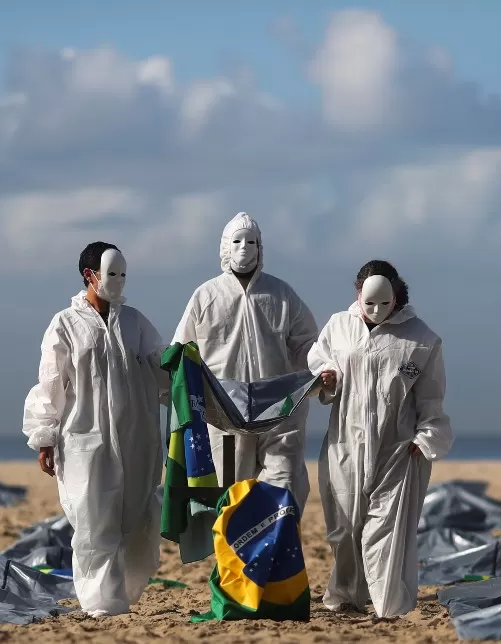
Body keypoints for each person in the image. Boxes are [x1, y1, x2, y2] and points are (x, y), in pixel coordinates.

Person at [22, 241, 167, 617]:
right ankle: (101, 603)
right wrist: (45, 436)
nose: (118, 281)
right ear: (90, 275)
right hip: (85, 439)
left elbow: (160, 366)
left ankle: (121, 592)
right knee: (92, 519)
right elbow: (51, 383)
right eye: (111, 273)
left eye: (123, 274)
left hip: (136, 437)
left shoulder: (135, 322)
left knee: (134, 516)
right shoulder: (65, 324)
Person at [308, 260, 453, 619]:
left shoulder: (421, 339)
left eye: (383, 303)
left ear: (395, 296)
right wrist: (327, 378)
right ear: (357, 293)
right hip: (345, 443)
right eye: (368, 302)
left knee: (385, 530)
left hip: (398, 448)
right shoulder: (339, 327)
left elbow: (431, 397)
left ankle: (389, 604)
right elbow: (319, 362)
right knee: (344, 527)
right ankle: (347, 595)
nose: (375, 310)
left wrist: (426, 437)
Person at [172, 212, 318, 510]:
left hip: (279, 409)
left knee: (285, 486)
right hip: (223, 413)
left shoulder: (281, 295)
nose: (244, 248)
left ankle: (275, 540)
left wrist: (320, 369)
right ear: (225, 246)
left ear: (260, 247)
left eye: (250, 242)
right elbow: (182, 352)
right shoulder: (206, 296)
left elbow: (306, 345)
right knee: (229, 498)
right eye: (237, 241)